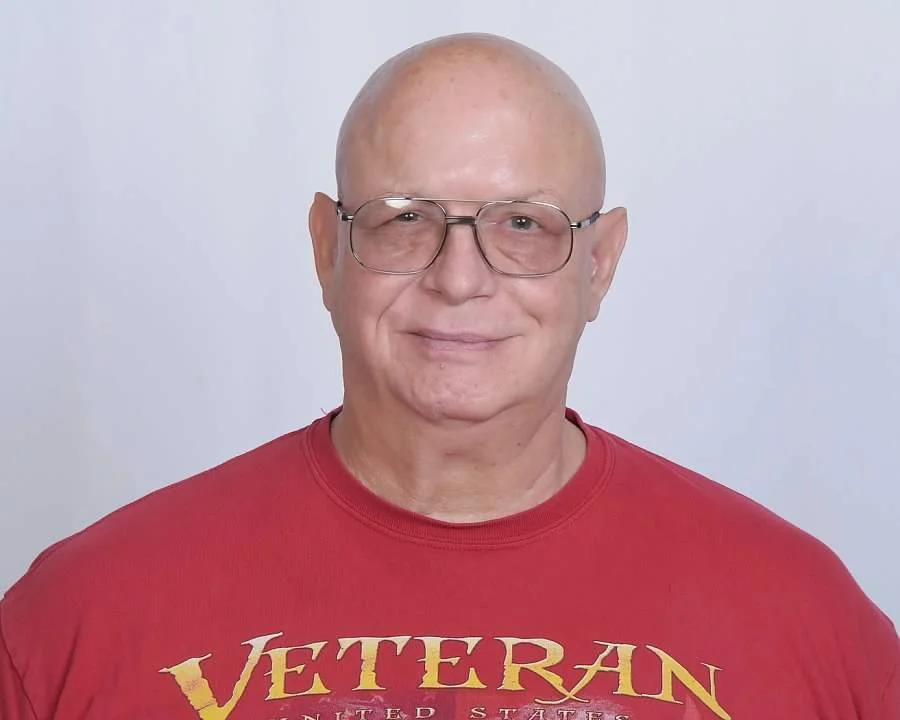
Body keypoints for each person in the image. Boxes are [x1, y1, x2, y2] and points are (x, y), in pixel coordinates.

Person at [1, 32, 897, 720]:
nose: (459, 278)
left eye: (523, 224)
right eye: (404, 218)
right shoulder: (86, 615)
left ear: (602, 262)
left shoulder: (806, 623)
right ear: (327, 248)